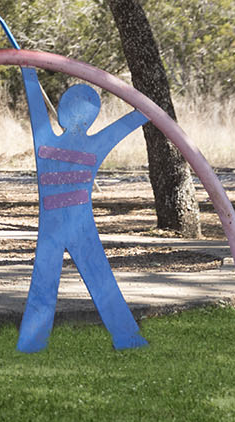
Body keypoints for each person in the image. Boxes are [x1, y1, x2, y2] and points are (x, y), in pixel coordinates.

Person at [17, 68, 148, 352]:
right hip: (73, 224)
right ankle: (123, 335)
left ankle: (32, 341)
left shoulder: (47, 142)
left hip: (69, 223)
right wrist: (145, 111)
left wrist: (29, 74)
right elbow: (123, 126)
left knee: (50, 279)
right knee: (91, 277)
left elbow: (38, 108)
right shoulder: (87, 143)